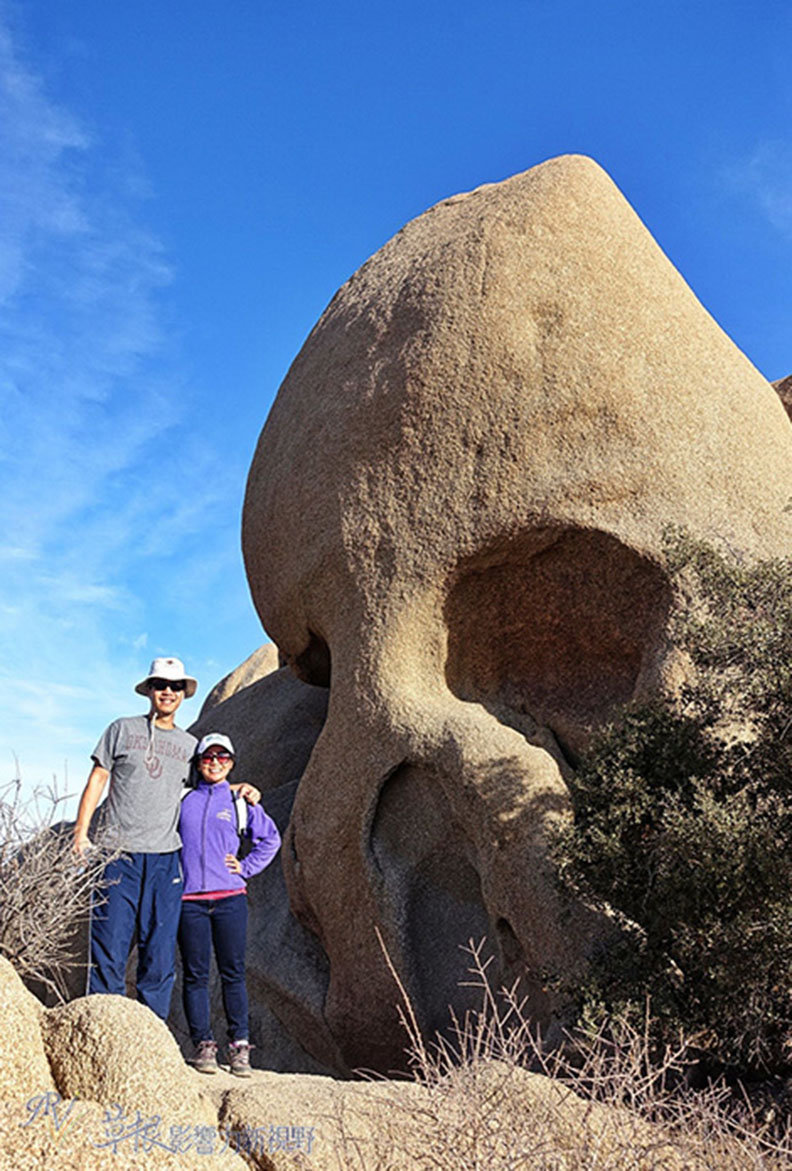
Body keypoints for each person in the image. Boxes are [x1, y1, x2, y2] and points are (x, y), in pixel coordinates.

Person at [73, 656, 259, 1020]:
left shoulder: (191, 746)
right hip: (116, 854)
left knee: (158, 955)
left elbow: (208, 783)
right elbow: (97, 779)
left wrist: (237, 787)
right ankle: (104, 1031)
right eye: (161, 685)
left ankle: (151, 1043)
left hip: (164, 860)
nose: (168, 692)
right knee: (108, 948)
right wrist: (81, 834)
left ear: (183, 694)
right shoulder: (121, 730)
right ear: (150, 690)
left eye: (175, 687)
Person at [177, 732, 281, 1076]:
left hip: (230, 899)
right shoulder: (183, 799)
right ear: (199, 762)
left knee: (232, 973)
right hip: (189, 901)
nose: (215, 763)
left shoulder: (240, 803)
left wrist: (246, 867)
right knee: (195, 975)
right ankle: (203, 1045)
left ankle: (239, 1047)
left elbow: (270, 839)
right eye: (209, 757)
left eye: (223, 758)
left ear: (232, 763)